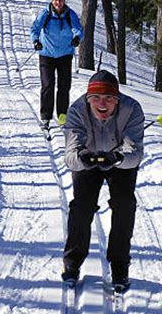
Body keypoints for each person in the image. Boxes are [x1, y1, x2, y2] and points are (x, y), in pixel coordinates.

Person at [62, 70, 145, 287]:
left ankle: (119, 265)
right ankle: (72, 262)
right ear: (87, 99)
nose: (102, 104)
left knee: (124, 204)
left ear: (117, 100)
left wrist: (117, 158)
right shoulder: (77, 111)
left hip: (119, 160)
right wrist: (83, 157)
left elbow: (134, 153)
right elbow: (70, 156)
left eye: (109, 98)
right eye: (96, 98)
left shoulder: (132, 110)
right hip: (87, 159)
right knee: (82, 205)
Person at [30, 0, 83, 127]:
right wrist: (36, 41)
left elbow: (78, 29)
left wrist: (77, 38)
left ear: (64, 1)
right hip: (46, 54)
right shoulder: (45, 14)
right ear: (52, 1)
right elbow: (34, 28)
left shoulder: (70, 14)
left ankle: (62, 118)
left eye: (61, 0)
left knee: (64, 86)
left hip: (65, 54)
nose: (58, 3)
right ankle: (46, 117)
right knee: (48, 85)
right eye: (56, 0)